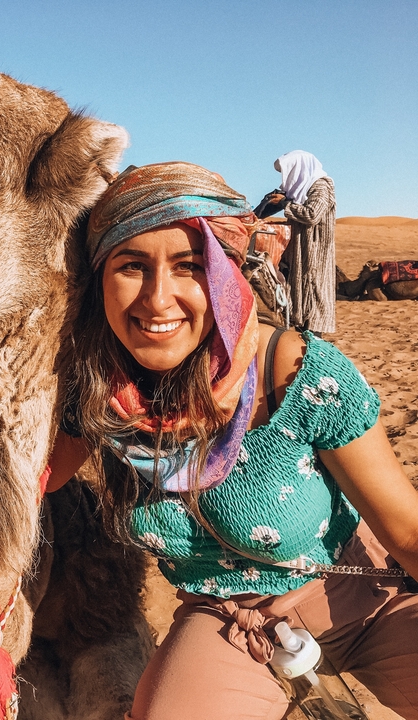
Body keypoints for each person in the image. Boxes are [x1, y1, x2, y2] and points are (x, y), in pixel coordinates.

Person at [45, 162, 418, 720]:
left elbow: (405, 527)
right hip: (225, 622)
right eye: (131, 265)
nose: (157, 298)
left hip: (360, 601)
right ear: (99, 280)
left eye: (189, 266)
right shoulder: (96, 398)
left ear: (224, 274)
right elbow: (24, 489)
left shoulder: (290, 371)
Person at [271, 150, 337, 335]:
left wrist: (285, 204)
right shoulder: (302, 190)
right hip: (300, 252)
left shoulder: (321, 187)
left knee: (313, 295)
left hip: (314, 253)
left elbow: (312, 214)